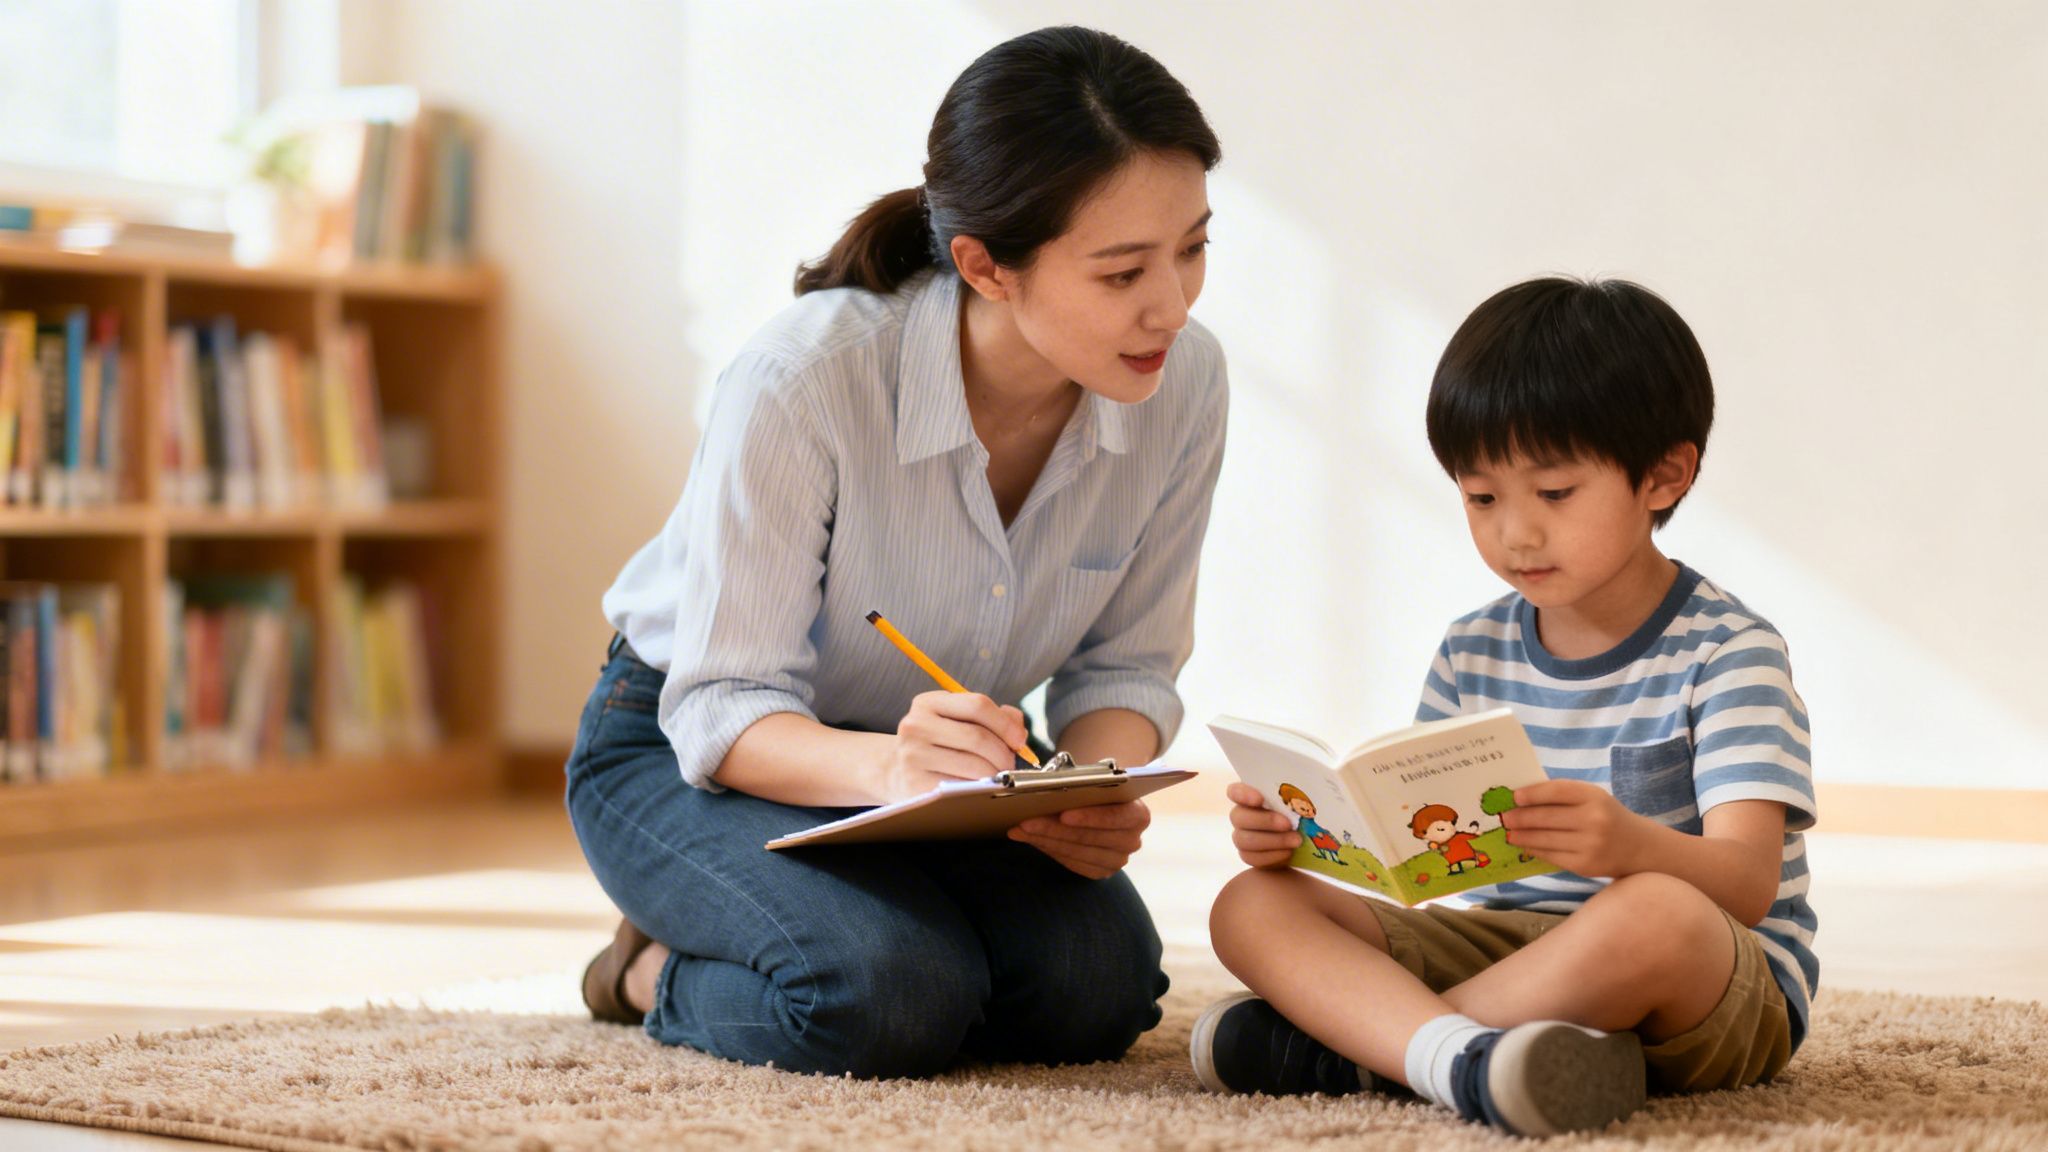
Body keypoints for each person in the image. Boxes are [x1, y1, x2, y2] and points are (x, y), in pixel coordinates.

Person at [567, 25, 1227, 1079]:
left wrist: (1097, 787)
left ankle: (862, 919)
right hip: (691, 751)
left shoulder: (1183, 384)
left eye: (1192, 247)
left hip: (950, 779)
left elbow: (1123, 667)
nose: (1172, 304)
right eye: (1120, 272)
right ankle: (644, 970)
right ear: (983, 265)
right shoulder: (804, 380)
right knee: (885, 996)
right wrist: (889, 768)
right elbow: (721, 704)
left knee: (1093, 994)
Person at [1191, 277, 1817, 1137]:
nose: (1514, 533)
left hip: (1711, 982)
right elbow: (1424, 857)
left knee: (1653, 912)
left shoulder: (1728, 651)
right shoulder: (1471, 647)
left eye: (1554, 494)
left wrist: (1629, 846)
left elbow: (1746, 887)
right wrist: (1311, 842)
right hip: (1514, 950)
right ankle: (1476, 1057)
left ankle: (1379, 1051)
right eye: (1482, 498)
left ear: (1663, 478)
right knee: (1249, 904)